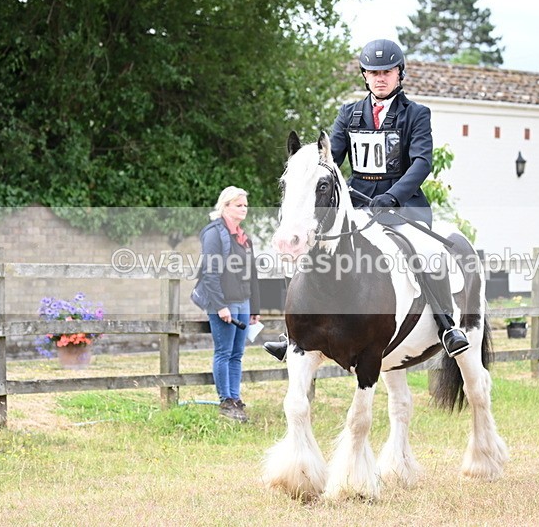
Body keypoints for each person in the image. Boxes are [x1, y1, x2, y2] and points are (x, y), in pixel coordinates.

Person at [264, 38, 469, 361]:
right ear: (364, 76)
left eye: (387, 71)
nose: (380, 78)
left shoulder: (416, 114)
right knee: (310, 249)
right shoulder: (349, 113)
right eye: (373, 72)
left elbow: (422, 163)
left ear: (400, 74)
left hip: (403, 206)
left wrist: (392, 196)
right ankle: (294, 331)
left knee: (429, 251)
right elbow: (331, 161)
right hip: (358, 205)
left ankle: (447, 326)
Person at [198, 186, 261, 422]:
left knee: (237, 354)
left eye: (245, 205)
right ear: (225, 206)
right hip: (224, 303)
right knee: (224, 352)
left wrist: (255, 308)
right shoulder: (213, 234)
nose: (244, 209)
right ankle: (225, 401)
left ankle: (236, 399)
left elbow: (252, 274)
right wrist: (220, 306)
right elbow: (210, 273)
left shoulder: (244, 238)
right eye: (238, 205)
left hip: (243, 302)